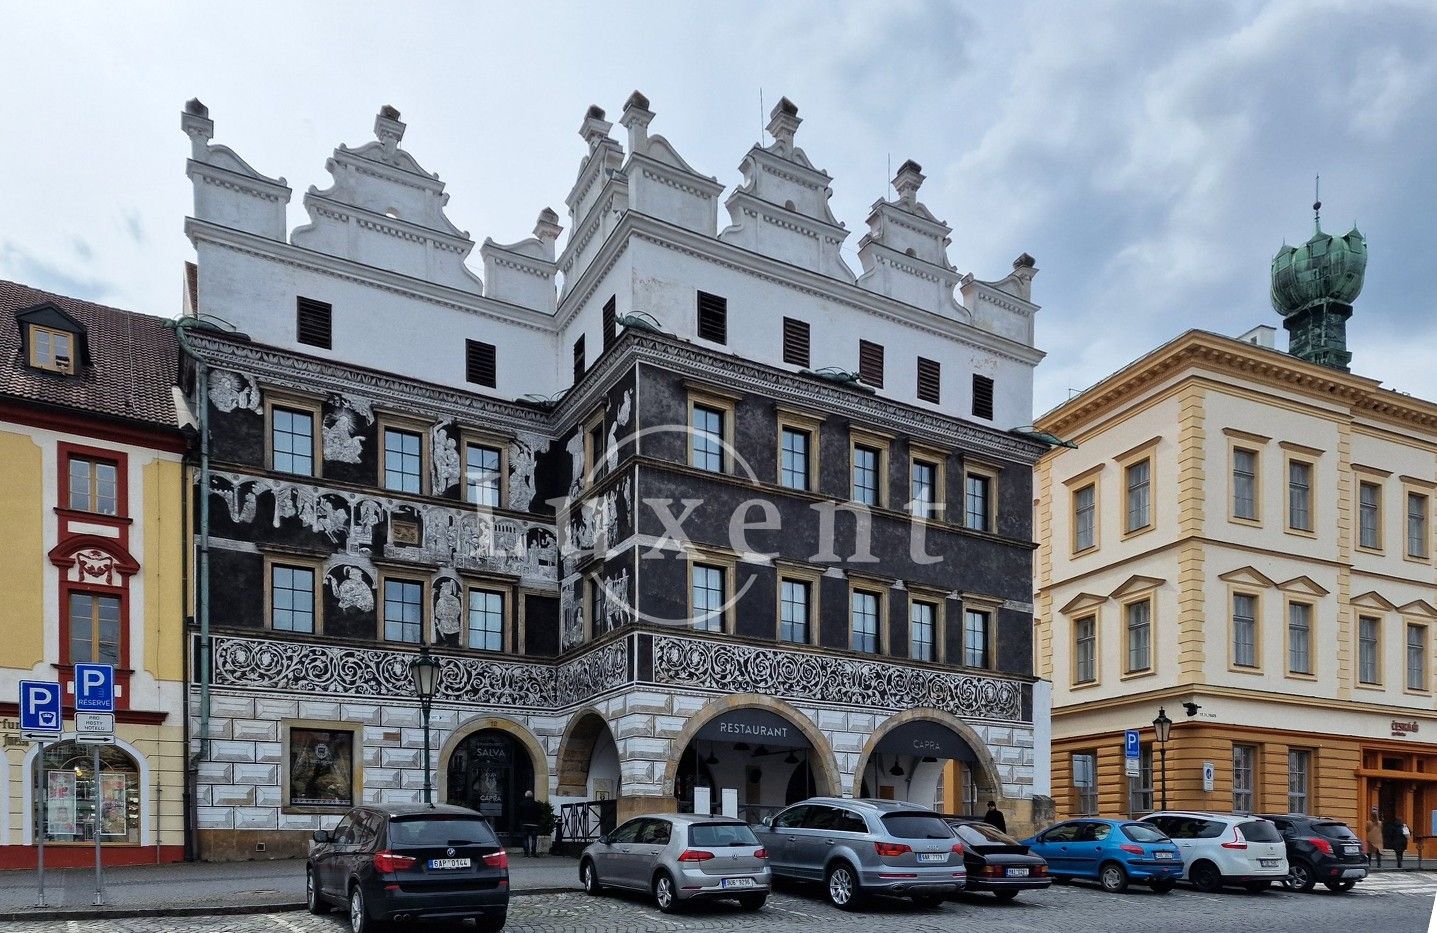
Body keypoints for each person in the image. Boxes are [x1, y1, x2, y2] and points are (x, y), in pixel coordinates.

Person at [518, 789, 542, 857]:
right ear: (532, 796)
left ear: (525, 796)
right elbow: (540, 813)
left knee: (525, 838)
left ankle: (526, 853)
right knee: (534, 838)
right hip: (534, 824)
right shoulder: (536, 804)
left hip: (524, 823)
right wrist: (538, 821)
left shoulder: (522, 804)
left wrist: (521, 822)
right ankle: (533, 853)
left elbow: (519, 814)